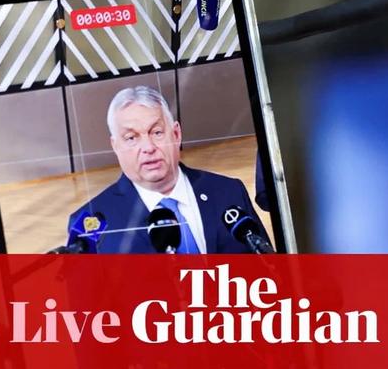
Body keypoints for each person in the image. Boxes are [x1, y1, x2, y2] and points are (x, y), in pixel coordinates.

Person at [68, 86, 268, 253]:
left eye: (156, 132)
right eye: (131, 138)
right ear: (115, 146)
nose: (148, 148)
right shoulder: (91, 224)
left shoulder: (228, 192)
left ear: (176, 134)